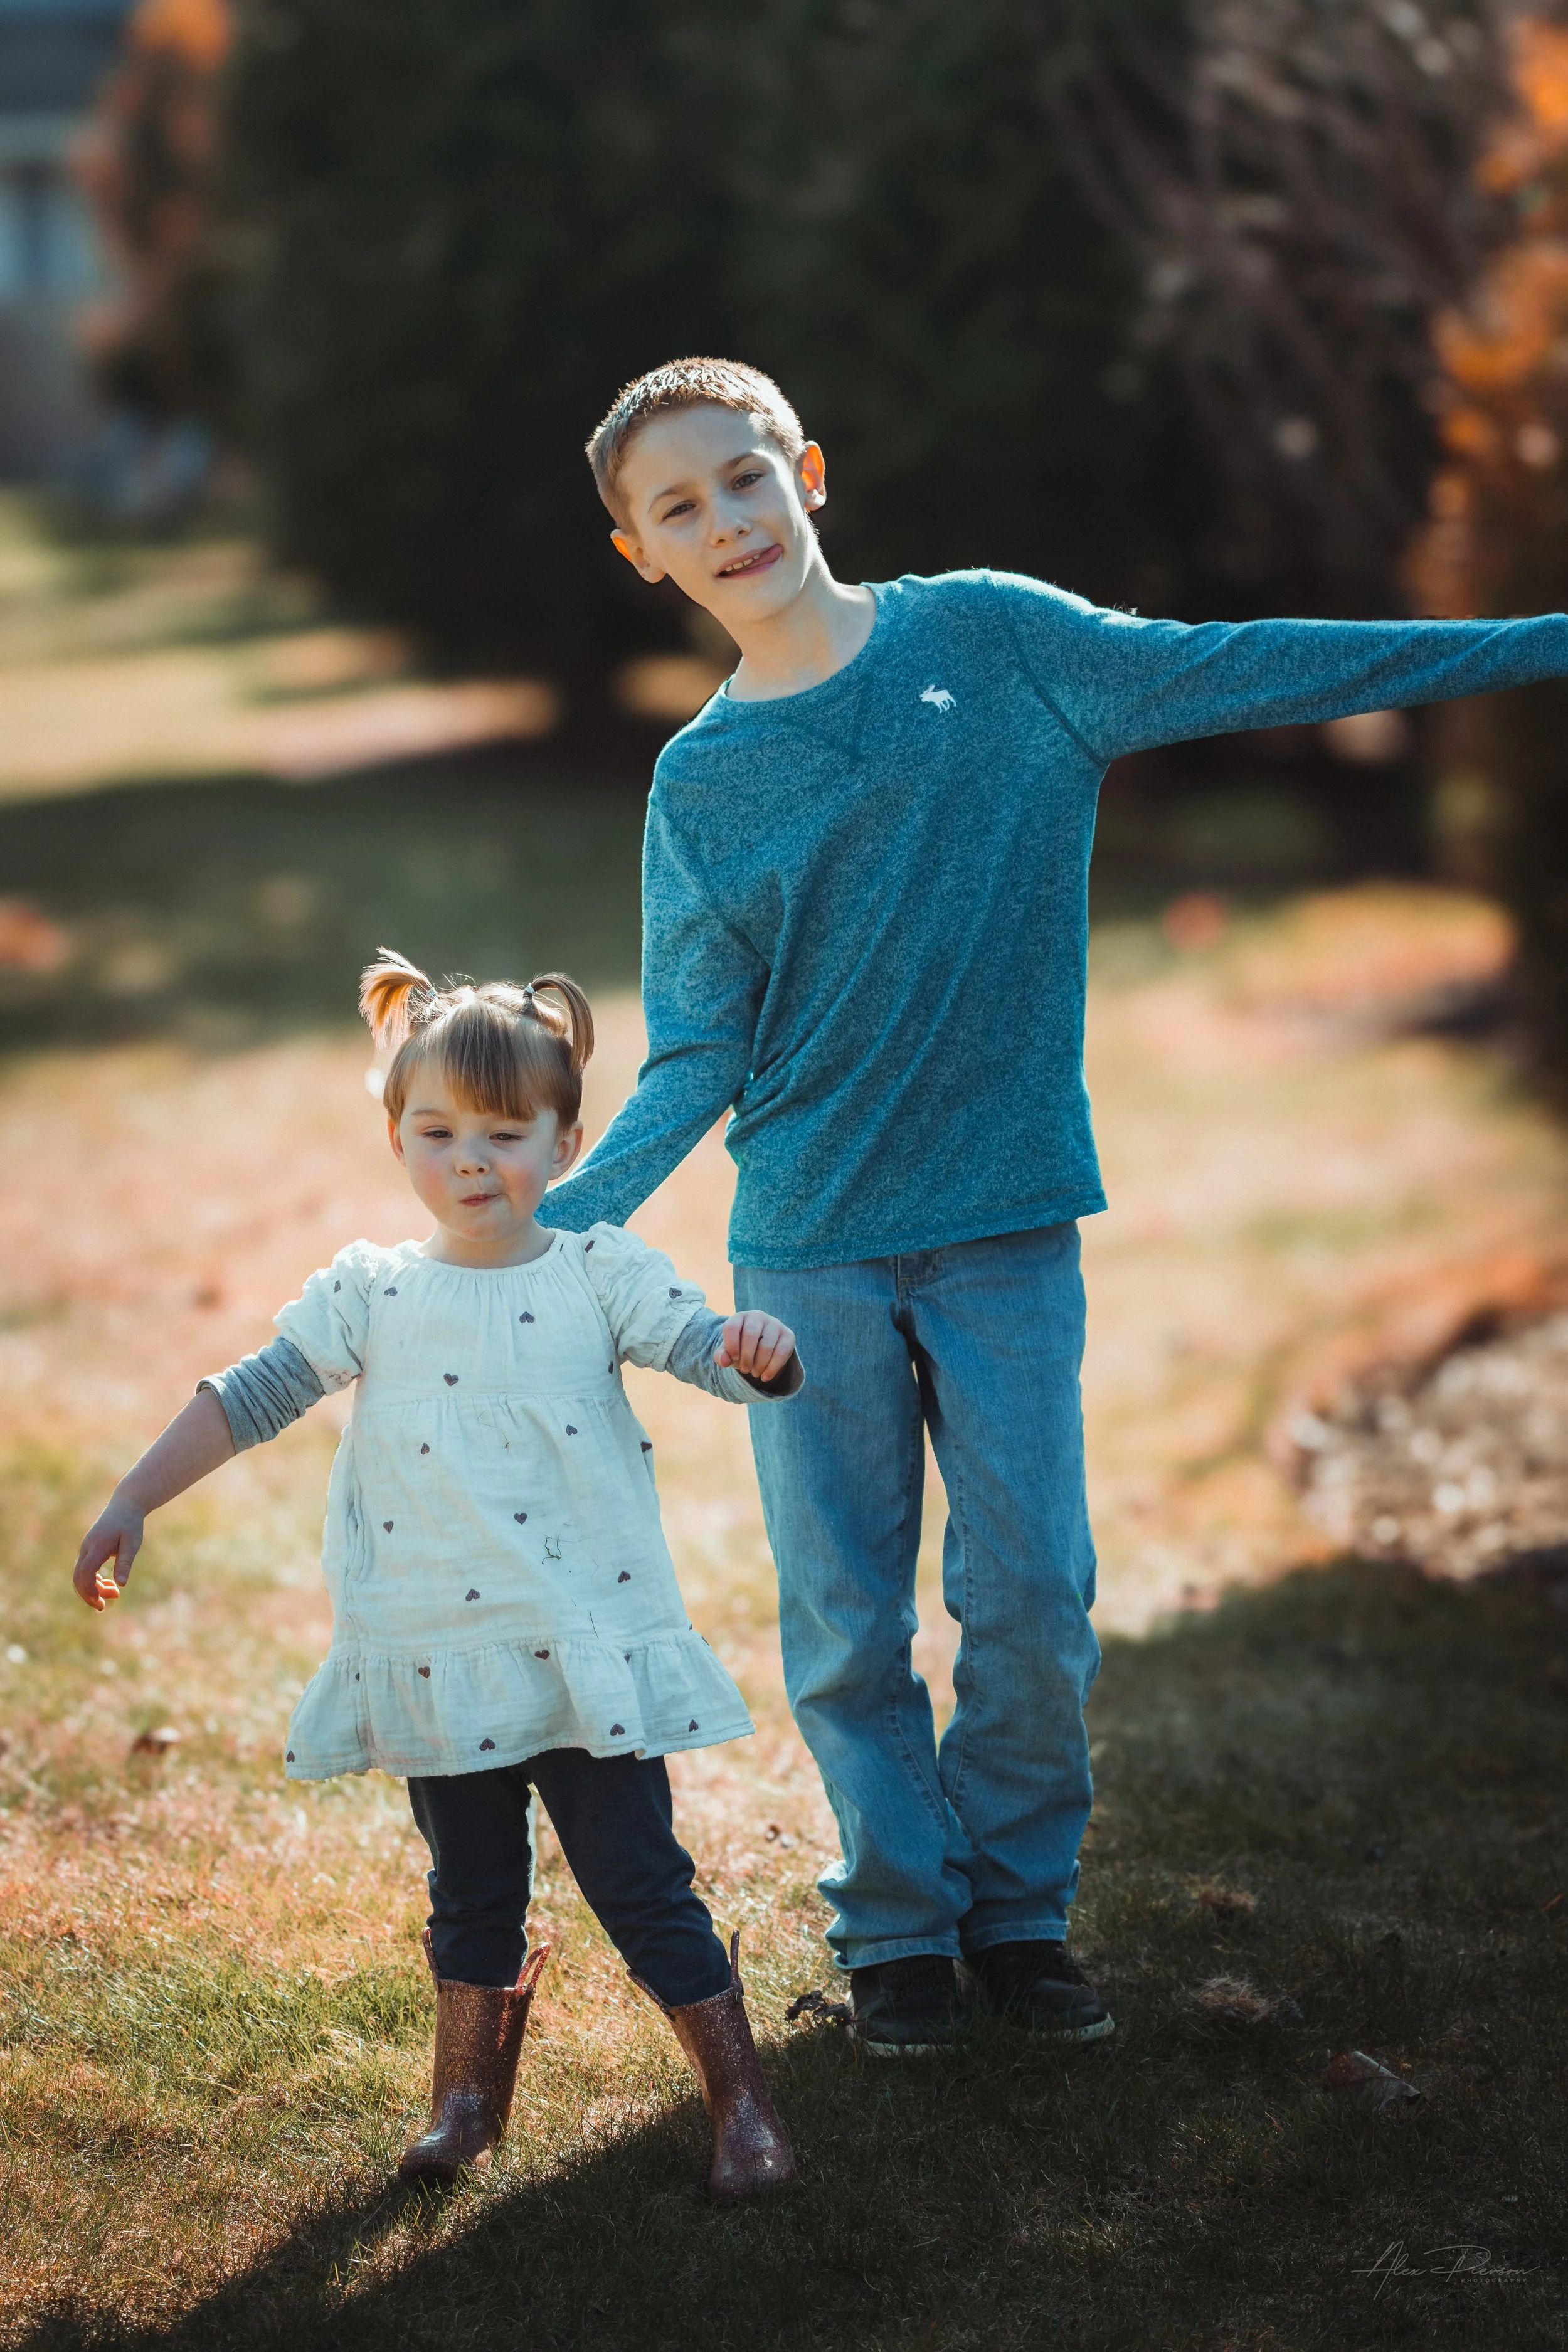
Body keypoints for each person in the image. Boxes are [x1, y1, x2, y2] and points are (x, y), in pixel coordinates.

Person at [543, 353, 1568, 2057]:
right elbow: (698, 1047)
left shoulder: (998, 644)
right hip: (806, 1248)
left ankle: (1018, 1914)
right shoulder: (700, 785)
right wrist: (560, 1220)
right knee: (847, 1617)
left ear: (809, 464)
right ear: (638, 554)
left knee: (1030, 1594)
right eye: (677, 506)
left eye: (742, 475)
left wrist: (1538, 641)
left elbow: (1240, 667)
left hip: (1006, 1224)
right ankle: (897, 1937)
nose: (725, 518)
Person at [70, 951, 802, 2199]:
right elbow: (251, 1394)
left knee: (637, 1878)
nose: (472, 1161)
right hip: (432, 1650)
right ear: (398, 1139)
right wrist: (135, 1494)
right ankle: (464, 2102)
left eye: (506, 1134)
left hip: (578, 1647)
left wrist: (760, 1354)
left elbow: (711, 1356)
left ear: (565, 1142)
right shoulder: (372, 1293)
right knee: (468, 1887)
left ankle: (738, 2101)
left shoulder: (595, 1273)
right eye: (437, 1133)